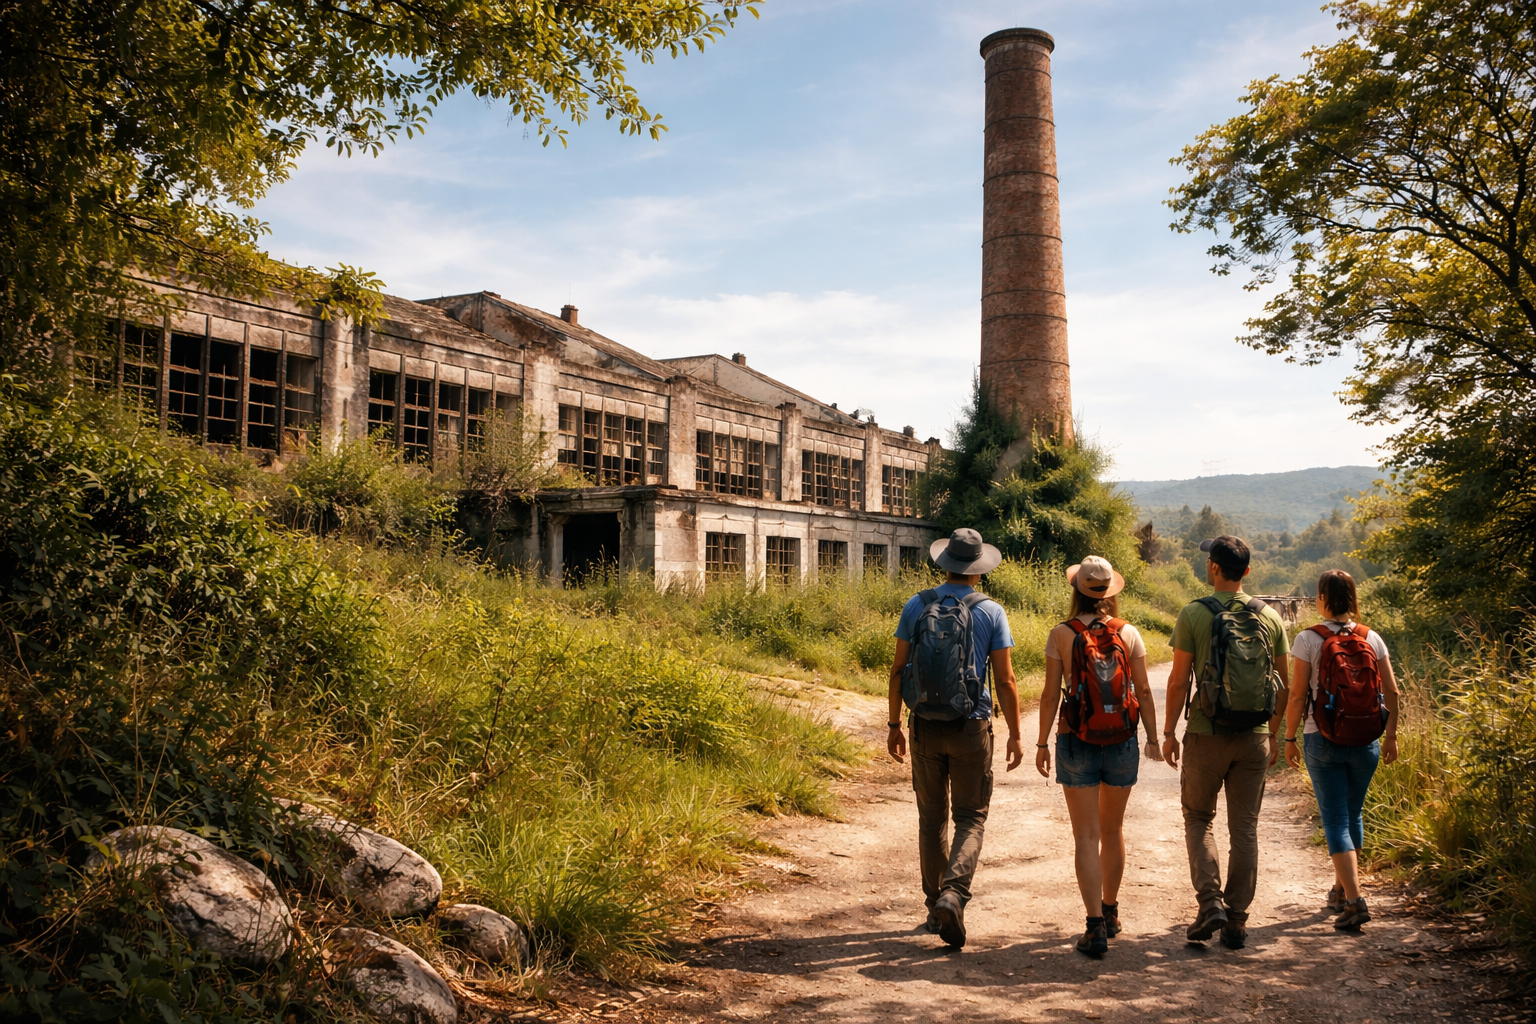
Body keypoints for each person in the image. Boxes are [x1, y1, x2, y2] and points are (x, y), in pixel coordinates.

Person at [887, 528, 1023, 948]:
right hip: (971, 726)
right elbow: (1005, 679)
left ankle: (934, 906)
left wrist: (894, 725)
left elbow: (897, 671)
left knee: (932, 819)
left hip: (924, 725)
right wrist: (1017, 734)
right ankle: (953, 893)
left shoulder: (917, 604)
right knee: (971, 817)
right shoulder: (990, 611)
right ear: (979, 571)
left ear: (944, 563)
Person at [1162, 535, 1289, 950]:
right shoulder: (1270, 617)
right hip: (1253, 737)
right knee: (1245, 829)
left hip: (1206, 731)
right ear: (1247, 572)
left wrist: (1167, 732)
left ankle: (1210, 902)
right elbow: (1283, 685)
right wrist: (1270, 731)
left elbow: (1179, 680)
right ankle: (1236, 921)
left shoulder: (1194, 613)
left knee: (1199, 819)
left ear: (1213, 568)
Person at [1036, 555, 1162, 957]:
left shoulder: (1061, 634)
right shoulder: (1128, 632)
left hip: (1076, 739)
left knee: (1086, 836)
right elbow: (1142, 691)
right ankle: (1110, 912)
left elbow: (1050, 694)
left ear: (1076, 590)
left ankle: (1093, 927)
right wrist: (1154, 738)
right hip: (1123, 739)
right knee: (1113, 831)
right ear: (1109, 593)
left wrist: (1041, 743)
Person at [1283, 569, 1400, 931]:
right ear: (1353, 598)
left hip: (1323, 738)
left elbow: (1299, 694)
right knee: (1354, 814)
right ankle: (1339, 890)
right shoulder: (1372, 637)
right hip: (1368, 740)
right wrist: (1391, 736)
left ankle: (1354, 900)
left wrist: (1288, 738)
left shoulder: (1308, 639)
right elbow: (1393, 693)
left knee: (1335, 819)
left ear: (1321, 598)